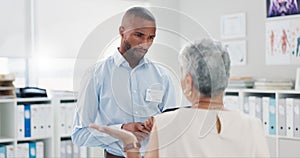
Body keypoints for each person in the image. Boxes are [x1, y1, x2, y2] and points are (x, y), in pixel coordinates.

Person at [90, 38, 270, 157]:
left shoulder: (165, 124)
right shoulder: (253, 126)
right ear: (225, 78)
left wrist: (129, 143)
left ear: (189, 81)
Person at [71, 6, 177, 158]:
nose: (145, 43)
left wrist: (157, 126)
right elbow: (79, 134)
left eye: (151, 37)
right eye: (139, 35)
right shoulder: (96, 75)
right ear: (122, 32)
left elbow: (172, 126)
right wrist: (121, 130)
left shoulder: (163, 77)